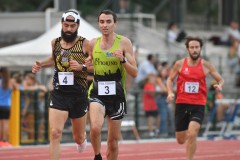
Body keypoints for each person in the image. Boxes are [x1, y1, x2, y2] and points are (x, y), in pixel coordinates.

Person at [32, 9, 90, 159]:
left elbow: (97, 66)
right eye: (66, 25)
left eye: (72, 26)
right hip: (59, 93)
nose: (69, 29)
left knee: (77, 137)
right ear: (62, 24)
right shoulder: (55, 43)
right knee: (54, 133)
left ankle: (82, 138)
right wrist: (41, 64)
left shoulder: (86, 44)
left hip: (78, 94)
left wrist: (82, 67)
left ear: (77, 26)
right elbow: (53, 59)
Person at [86, 9, 138, 160]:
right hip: (97, 93)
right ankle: (97, 156)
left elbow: (134, 72)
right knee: (95, 128)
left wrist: (123, 60)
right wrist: (86, 64)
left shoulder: (124, 42)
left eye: (108, 22)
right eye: (102, 22)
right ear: (98, 24)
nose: (105, 25)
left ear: (115, 24)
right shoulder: (92, 43)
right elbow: (90, 67)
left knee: (113, 142)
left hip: (116, 96)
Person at [166, 36, 224, 160]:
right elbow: (170, 79)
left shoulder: (206, 65)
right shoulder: (180, 64)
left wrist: (219, 85)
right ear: (187, 49)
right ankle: (188, 136)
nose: (194, 50)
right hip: (182, 104)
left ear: (200, 48)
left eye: (196, 47)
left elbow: (220, 79)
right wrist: (170, 92)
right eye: (192, 47)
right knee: (181, 140)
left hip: (198, 104)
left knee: (192, 133)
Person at [0, 67, 17, 147]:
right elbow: (17, 88)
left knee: (0, 124)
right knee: (6, 123)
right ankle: (5, 140)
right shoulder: (11, 82)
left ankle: (0, 140)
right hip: (7, 105)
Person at [143, 74, 160, 138]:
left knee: (156, 116)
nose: (154, 80)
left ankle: (155, 130)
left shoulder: (151, 85)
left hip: (152, 105)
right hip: (149, 105)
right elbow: (152, 93)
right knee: (150, 118)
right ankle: (151, 132)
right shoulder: (148, 85)